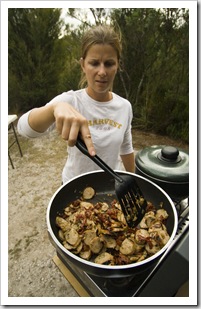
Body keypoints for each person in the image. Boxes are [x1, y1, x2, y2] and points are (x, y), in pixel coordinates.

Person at [17, 24, 135, 183]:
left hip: (111, 188)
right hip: (74, 189)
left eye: (109, 63)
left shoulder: (124, 107)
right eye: (94, 63)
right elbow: (24, 129)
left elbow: (126, 148)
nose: (102, 72)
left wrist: (134, 181)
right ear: (83, 64)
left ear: (117, 65)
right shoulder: (70, 101)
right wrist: (54, 109)